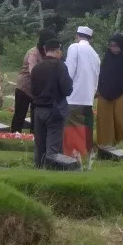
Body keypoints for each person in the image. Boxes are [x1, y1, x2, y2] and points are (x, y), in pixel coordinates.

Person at [30, 39, 73, 168]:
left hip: (38, 110)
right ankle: (51, 172)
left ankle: (38, 169)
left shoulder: (37, 67)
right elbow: (67, 89)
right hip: (54, 109)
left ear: (45, 50)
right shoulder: (60, 66)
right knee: (53, 147)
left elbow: (32, 89)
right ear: (58, 50)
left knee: (40, 145)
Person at [63, 26, 101, 158]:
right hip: (88, 100)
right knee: (85, 129)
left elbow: (69, 72)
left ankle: (72, 157)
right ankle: (85, 155)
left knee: (71, 129)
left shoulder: (75, 48)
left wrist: (63, 90)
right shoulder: (95, 55)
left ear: (77, 36)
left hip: (73, 97)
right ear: (90, 39)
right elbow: (96, 78)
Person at [13, 29, 57, 133]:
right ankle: (15, 136)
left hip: (38, 89)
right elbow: (33, 72)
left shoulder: (49, 53)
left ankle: (35, 138)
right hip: (24, 87)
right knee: (20, 114)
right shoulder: (33, 53)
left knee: (36, 115)